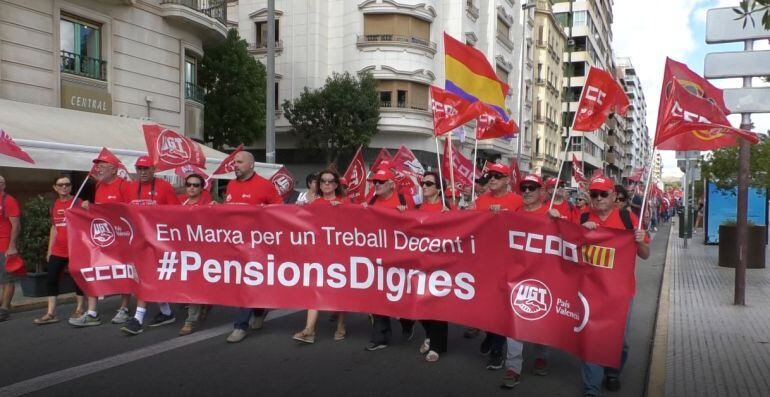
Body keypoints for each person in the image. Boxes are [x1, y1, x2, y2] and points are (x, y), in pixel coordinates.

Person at [579, 176, 649, 397]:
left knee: (621, 341)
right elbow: (563, 244)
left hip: (620, 292)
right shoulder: (581, 216)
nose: (598, 198)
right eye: (594, 194)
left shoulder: (628, 219)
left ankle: (613, 372)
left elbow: (645, 255)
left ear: (613, 196)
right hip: (588, 290)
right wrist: (580, 231)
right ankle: (592, 387)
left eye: (603, 194)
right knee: (591, 338)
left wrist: (638, 240)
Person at [502, 174, 561, 388]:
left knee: (541, 317)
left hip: (544, 277)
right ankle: (512, 367)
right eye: (524, 188)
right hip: (517, 277)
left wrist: (559, 223)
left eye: (532, 188)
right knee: (514, 321)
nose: (527, 191)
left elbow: (570, 242)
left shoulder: (551, 214)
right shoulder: (513, 215)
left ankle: (541, 356)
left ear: (542, 193)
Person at [225, 151, 283, 343]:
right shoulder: (231, 185)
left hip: (257, 246)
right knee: (247, 282)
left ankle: (240, 326)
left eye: (239, 162)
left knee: (247, 283)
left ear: (250, 164)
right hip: (235, 243)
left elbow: (279, 211)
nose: (235, 165)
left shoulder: (264, 185)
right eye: (234, 162)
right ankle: (259, 311)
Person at [120, 156, 181, 336]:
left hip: (158, 243)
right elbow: (120, 211)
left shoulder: (164, 187)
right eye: (140, 169)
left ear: (154, 169)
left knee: (146, 277)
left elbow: (178, 214)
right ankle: (166, 312)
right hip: (137, 242)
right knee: (150, 278)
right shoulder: (130, 188)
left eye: (146, 168)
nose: (143, 172)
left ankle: (138, 319)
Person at [470, 163, 522, 370]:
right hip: (483, 263)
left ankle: (497, 349)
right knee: (485, 305)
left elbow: (528, 226)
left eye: (497, 176)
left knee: (501, 308)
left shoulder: (517, 201)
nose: (492, 179)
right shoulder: (480, 201)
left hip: (508, 263)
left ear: (507, 180)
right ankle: (490, 334)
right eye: (490, 175)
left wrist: (507, 216)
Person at [70, 153, 131, 327]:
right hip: (102, 237)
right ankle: (92, 312)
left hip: (121, 238)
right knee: (94, 269)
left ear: (113, 170)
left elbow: (129, 211)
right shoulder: (98, 186)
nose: (97, 168)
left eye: (102, 166)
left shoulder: (124, 186)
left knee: (123, 271)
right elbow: (98, 213)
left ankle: (124, 308)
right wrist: (88, 209)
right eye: (97, 165)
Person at [293, 169, 347, 344]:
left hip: (340, 255)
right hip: (319, 253)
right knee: (314, 289)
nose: (326, 184)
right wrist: (299, 211)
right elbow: (304, 225)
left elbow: (356, 226)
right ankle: (309, 330)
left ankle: (341, 325)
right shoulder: (315, 204)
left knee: (339, 290)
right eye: (323, 181)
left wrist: (344, 210)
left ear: (336, 184)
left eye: (330, 181)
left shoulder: (345, 203)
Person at [363, 167, 415, 351]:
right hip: (377, 255)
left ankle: (407, 321)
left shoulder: (404, 200)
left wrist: (405, 213)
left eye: (380, 182)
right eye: (375, 182)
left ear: (391, 185)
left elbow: (417, 226)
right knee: (377, 295)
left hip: (400, 256)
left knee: (400, 293)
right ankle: (380, 337)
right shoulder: (372, 199)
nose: (376, 185)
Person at [34, 176, 85, 325]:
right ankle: (50, 313)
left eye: (67, 184)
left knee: (78, 279)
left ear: (71, 187)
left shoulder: (78, 202)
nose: (64, 187)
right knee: (51, 279)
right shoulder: (54, 204)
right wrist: (50, 249)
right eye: (60, 185)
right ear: (55, 187)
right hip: (58, 249)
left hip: (75, 248)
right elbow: (54, 227)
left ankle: (80, 309)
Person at [415, 171, 450, 362]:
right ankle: (429, 334)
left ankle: (436, 346)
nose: (424, 186)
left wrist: (450, 216)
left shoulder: (447, 209)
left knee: (437, 306)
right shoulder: (416, 208)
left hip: (440, 266)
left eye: (429, 183)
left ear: (439, 188)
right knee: (419, 305)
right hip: (419, 264)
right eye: (423, 183)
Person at [179, 173, 214, 336]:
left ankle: (190, 320)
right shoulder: (179, 201)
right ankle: (206, 302)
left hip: (201, 250)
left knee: (194, 283)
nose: (192, 187)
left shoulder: (208, 203)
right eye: (189, 184)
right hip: (181, 249)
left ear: (202, 188)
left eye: (196, 185)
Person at [0, 174, 20, 322]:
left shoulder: (9, 200)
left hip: (4, 244)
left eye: (0, 182)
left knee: (7, 278)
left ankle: (5, 308)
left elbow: (16, 225)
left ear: (4, 185)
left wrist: (12, 246)